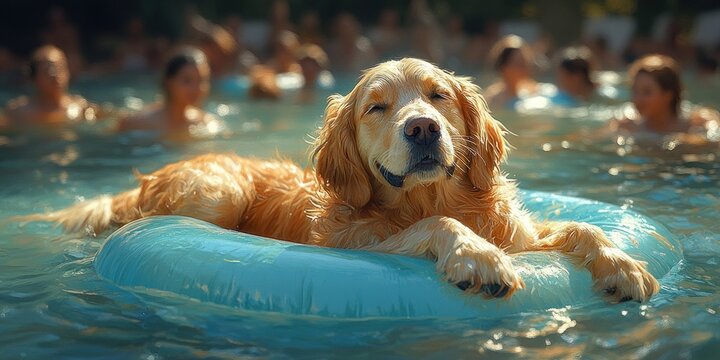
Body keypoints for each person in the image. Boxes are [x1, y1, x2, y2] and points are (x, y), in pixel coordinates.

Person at [116, 47, 223, 138]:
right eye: (187, 80)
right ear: (168, 82)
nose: (197, 88)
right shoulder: (138, 123)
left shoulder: (208, 123)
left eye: (202, 80)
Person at [610, 54, 718, 135]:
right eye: (635, 91)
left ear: (668, 94)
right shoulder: (626, 124)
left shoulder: (699, 122)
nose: (637, 99)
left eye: (647, 92)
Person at [3, 45, 98, 128]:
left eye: (60, 68)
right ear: (34, 77)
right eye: (48, 70)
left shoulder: (81, 108)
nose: (55, 75)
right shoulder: (17, 112)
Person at [483, 35, 539, 110]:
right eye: (519, 64)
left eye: (526, 62)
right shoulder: (492, 100)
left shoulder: (533, 90)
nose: (525, 68)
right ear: (503, 68)